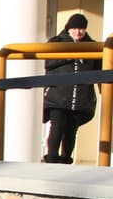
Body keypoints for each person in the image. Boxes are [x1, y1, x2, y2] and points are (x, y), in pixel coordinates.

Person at [42, 13, 101, 164]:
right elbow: (48, 63)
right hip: (58, 95)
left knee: (71, 130)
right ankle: (51, 158)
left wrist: (104, 90)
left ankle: (66, 159)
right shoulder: (56, 42)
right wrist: (70, 55)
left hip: (80, 97)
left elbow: (99, 70)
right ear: (68, 28)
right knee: (57, 126)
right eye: (74, 28)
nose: (78, 32)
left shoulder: (93, 46)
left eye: (81, 29)